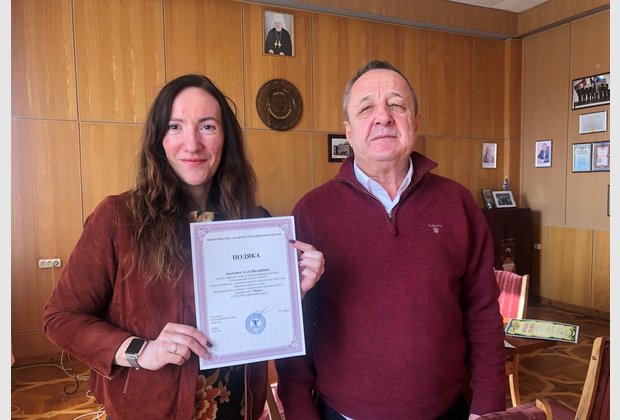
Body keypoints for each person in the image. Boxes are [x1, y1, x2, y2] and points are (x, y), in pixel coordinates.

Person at [43, 74, 325, 419]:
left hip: (238, 407)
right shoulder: (118, 218)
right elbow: (61, 318)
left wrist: (290, 291)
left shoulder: (253, 220)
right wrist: (140, 351)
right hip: (150, 409)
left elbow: (261, 318)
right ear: (158, 139)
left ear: (226, 138)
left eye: (207, 127)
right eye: (175, 127)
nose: (192, 145)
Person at [275, 60, 506, 419]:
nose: (383, 117)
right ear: (348, 131)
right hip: (343, 413)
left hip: (448, 410)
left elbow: (483, 312)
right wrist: (301, 412)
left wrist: (488, 406)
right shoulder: (311, 212)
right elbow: (295, 324)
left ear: (416, 121)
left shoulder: (457, 203)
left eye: (397, 104)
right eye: (366, 108)